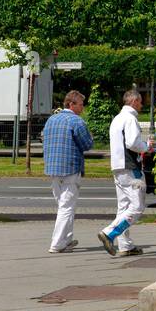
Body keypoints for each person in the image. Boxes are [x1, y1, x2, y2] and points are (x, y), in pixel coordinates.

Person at [98, 89, 153, 257]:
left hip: (118, 167)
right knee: (137, 207)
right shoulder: (130, 118)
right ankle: (109, 233)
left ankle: (125, 245)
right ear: (134, 102)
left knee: (123, 207)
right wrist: (146, 146)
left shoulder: (117, 119)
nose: (142, 105)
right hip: (130, 167)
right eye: (141, 101)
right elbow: (132, 143)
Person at [43, 90, 94, 254]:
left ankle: (67, 239)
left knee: (63, 206)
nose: (82, 108)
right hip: (70, 167)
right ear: (71, 104)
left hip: (52, 167)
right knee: (66, 207)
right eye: (81, 105)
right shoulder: (76, 121)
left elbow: (45, 139)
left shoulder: (51, 119)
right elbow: (87, 144)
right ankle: (57, 244)